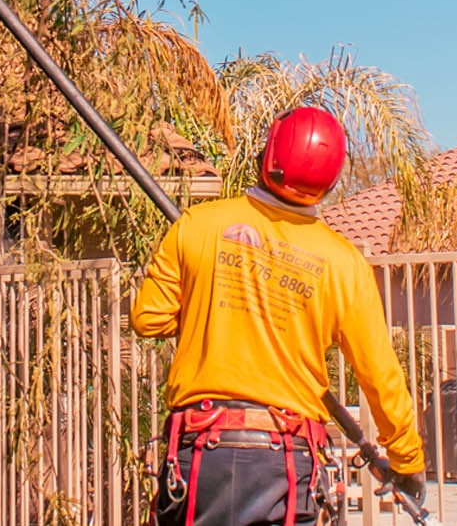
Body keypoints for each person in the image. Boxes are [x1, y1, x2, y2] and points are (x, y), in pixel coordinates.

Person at [130, 105, 426, 526]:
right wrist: (407, 461)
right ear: (330, 179)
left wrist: (211, 307)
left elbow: (148, 319)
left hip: (202, 457)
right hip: (286, 464)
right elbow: (380, 375)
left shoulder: (199, 225)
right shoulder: (342, 264)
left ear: (267, 154)